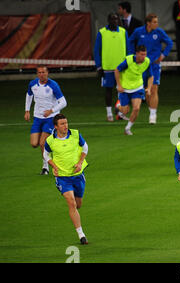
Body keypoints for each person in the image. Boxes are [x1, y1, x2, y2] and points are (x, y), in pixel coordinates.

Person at [43, 114, 89, 245]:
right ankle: (81, 235)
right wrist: (53, 166)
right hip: (62, 177)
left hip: (78, 175)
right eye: (62, 124)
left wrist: (80, 162)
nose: (65, 126)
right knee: (71, 202)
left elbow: (85, 147)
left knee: (78, 204)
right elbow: (45, 154)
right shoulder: (50, 141)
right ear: (56, 126)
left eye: (66, 123)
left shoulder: (75, 134)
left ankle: (75, 215)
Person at [129, 13, 173, 124]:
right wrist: (132, 56)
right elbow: (130, 42)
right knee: (146, 91)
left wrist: (163, 55)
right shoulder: (138, 31)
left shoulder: (159, 32)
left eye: (157, 22)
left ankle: (153, 114)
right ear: (148, 23)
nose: (156, 24)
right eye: (154, 22)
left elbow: (169, 43)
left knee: (153, 89)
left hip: (154, 65)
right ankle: (151, 109)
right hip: (141, 66)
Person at [24, 66, 67, 175]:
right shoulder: (33, 84)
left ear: (47, 73)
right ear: (37, 74)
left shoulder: (53, 85)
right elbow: (29, 95)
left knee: (42, 143)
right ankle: (54, 146)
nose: (41, 74)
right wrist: (27, 110)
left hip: (50, 119)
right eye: (39, 72)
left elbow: (63, 102)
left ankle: (46, 167)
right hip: (37, 118)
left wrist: (52, 110)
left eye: (43, 72)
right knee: (34, 144)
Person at [94, 13, 129, 122]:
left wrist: (128, 64)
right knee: (108, 90)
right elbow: (96, 50)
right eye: (113, 19)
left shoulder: (123, 32)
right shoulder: (102, 32)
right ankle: (109, 114)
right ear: (108, 20)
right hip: (107, 68)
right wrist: (99, 66)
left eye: (117, 19)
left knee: (122, 91)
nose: (115, 21)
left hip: (121, 68)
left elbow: (128, 49)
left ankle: (120, 112)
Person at [114, 45, 153, 135]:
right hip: (125, 88)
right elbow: (117, 70)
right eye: (142, 54)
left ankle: (127, 128)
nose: (144, 57)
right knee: (125, 111)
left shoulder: (147, 61)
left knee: (136, 108)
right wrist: (119, 85)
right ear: (136, 54)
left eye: (145, 54)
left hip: (137, 88)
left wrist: (149, 88)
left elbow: (151, 76)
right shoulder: (128, 61)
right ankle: (118, 107)